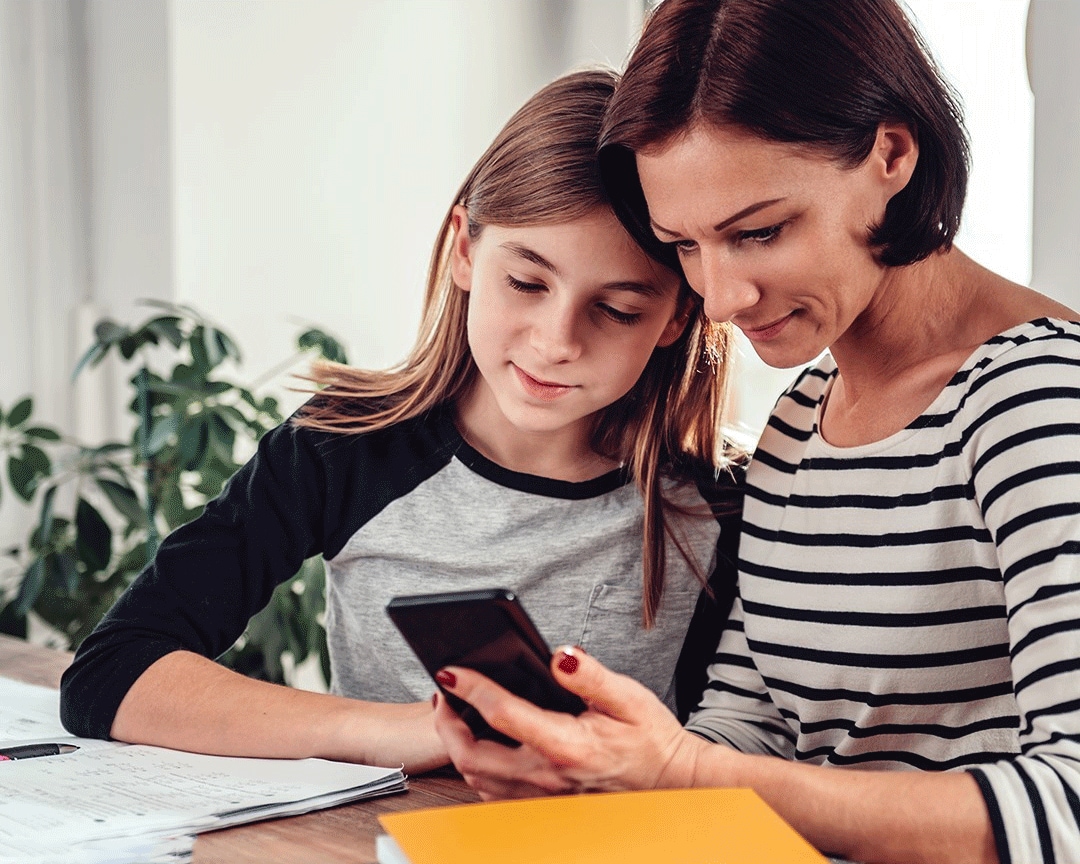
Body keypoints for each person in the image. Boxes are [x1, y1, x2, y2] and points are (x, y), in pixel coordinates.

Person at [430, 3, 1080, 863]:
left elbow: (1070, 805)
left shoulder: (1040, 400)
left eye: (759, 232)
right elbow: (755, 724)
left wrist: (684, 774)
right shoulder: (802, 416)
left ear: (891, 153)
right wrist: (602, 769)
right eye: (685, 247)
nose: (722, 298)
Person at [58, 69, 745, 774]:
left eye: (619, 309)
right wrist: (409, 731)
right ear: (467, 251)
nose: (556, 340)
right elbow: (110, 675)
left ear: (678, 316)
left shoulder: (726, 499)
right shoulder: (339, 451)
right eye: (527, 282)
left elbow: (740, 750)